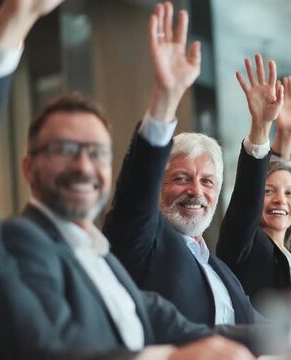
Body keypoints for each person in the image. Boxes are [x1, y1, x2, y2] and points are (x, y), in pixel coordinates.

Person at [0, 2, 254, 359]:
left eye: (97, 152)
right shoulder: (22, 243)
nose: (84, 166)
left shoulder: (102, 255)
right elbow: (50, 349)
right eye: (65, 149)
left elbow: (187, 330)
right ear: (28, 168)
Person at [102, 4, 279, 327]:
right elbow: (135, 193)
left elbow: (262, 330)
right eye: (181, 178)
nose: (196, 191)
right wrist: (165, 100)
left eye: (208, 182)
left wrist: (261, 131)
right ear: (158, 182)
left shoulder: (218, 268)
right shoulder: (142, 240)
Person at [217, 76, 291, 317]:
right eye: (268, 191)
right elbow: (246, 200)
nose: (280, 200)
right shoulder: (246, 246)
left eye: (289, 194)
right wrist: (261, 127)